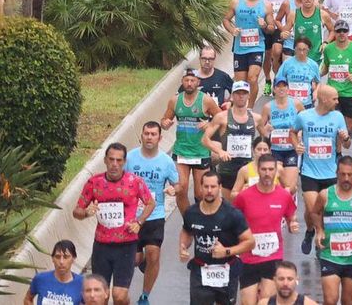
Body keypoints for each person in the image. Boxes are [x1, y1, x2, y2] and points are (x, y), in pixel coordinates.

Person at [73, 143, 154, 305]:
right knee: (99, 296)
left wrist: (139, 222)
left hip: (126, 245)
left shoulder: (135, 182)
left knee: (119, 295)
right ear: (105, 160)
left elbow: (150, 203)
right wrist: (87, 212)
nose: (114, 164)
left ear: (124, 162)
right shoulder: (94, 183)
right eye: (111, 160)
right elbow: (76, 212)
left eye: (118, 160)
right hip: (102, 246)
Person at [233, 154, 300, 305]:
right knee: (248, 303)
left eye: (271, 169)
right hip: (248, 257)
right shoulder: (244, 196)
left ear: (276, 171)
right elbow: (233, 220)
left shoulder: (284, 196)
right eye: (264, 169)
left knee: (266, 302)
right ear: (258, 170)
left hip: (273, 256)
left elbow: (291, 217)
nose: (267, 173)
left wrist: (292, 224)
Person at [180, 171, 254, 305]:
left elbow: (250, 242)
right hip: (200, 269)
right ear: (200, 187)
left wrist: (226, 251)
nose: (209, 191)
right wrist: (183, 246)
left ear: (220, 187)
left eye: (213, 187)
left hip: (226, 269)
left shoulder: (232, 214)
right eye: (206, 187)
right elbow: (186, 231)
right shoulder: (191, 212)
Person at [124, 122, 178, 305]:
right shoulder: (130, 158)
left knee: (154, 253)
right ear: (141, 136)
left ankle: (144, 296)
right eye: (146, 133)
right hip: (133, 216)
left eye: (153, 134)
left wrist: (173, 189)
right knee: (136, 259)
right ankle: (142, 260)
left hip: (155, 214)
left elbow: (177, 184)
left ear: (160, 138)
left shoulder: (166, 161)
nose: (149, 137)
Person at [297, 85, 352, 257]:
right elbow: (293, 132)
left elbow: (347, 145)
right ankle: (316, 233)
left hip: (330, 172)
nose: (337, 102)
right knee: (313, 208)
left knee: (324, 210)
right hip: (309, 171)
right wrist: (296, 145)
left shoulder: (337, 117)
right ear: (324, 99)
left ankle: (315, 233)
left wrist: (346, 138)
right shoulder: (304, 116)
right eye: (334, 99)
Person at [316, 156, 352, 305]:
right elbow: (314, 213)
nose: (346, 178)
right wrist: (319, 229)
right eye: (342, 174)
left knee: (348, 301)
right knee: (330, 300)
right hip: (330, 256)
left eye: (350, 174)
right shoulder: (325, 194)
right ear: (337, 173)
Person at [163, 67, 219, 214]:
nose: (189, 83)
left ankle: (202, 218)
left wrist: (209, 124)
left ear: (198, 82)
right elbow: (164, 120)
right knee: (180, 189)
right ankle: (189, 220)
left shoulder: (206, 100)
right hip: (181, 151)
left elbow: (221, 119)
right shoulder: (175, 100)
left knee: (200, 194)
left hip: (200, 151)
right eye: (186, 80)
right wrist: (165, 123)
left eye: (192, 80)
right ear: (182, 81)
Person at [26, 240, 84, 305]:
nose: (61, 262)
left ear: (73, 259)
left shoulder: (83, 283)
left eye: (66, 257)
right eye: (58, 257)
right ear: (52, 259)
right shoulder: (40, 279)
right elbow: (28, 299)